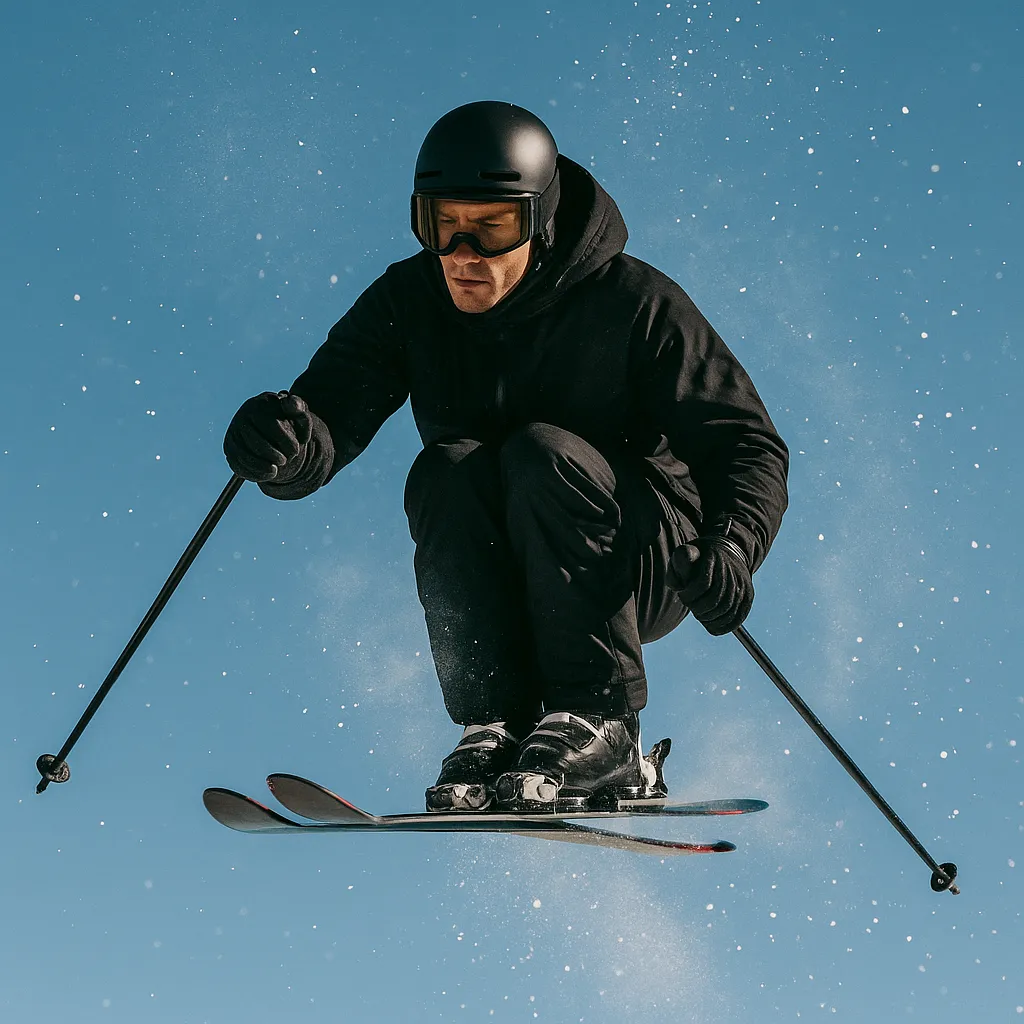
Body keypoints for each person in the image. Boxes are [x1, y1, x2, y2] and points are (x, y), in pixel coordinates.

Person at [223, 100, 789, 814]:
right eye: (442, 224)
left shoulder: (635, 302)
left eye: (493, 228)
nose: (464, 253)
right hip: (519, 566)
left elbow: (745, 443)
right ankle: (496, 721)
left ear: (541, 221)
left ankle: (602, 724)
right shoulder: (410, 300)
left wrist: (733, 549)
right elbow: (328, 416)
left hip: (649, 560)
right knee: (447, 470)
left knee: (537, 452)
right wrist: (283, 446)